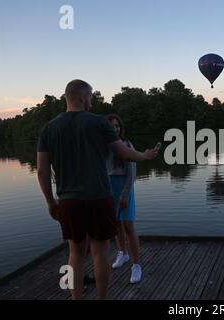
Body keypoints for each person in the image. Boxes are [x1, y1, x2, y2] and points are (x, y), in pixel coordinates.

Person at [37, 79, 158, 299]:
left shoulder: (48, 129)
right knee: (100, 254)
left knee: (75, 253)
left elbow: (42, 171)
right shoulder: (97, 123)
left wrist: (50, 201)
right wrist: (144, 155)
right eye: (91, 96)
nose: (91, 100)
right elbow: (124, 152)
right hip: (99, 197)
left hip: (68, 200)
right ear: (82, 97)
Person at [105, 114, 141, 284]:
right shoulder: (103, 147)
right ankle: (122, 253)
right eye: (112, 126)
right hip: (109, 188)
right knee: (116, 223)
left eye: (117, 126)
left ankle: (136, 265)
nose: (115, 129)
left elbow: (132, 173)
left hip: (124, 186)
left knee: (128, 224)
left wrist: (125, 195)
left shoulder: (126, 145)